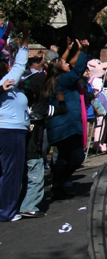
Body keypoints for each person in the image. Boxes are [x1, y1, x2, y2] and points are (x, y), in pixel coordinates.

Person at [20, 56, 67, 218]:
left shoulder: (23, 108)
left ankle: (22, 202)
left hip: (25, 144)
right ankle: (28, 206)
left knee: (27, 174)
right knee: (36, 176)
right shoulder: (37, 109)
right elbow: (53, 111)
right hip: (33, 144)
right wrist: (61, 103)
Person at [45, 38, 90, 201]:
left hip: (61, 126)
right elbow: (78, 70)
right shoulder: (63, 80)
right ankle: (59, 183)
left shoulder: (54, 81)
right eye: (63, 64)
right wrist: (84, 52)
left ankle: (59, 186)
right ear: (59, 68)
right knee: (76, 157)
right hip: (66, 127)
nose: (67, 64)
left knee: (63, 158)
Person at [0, 24, 30, 222]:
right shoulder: (6, 81)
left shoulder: (10, 85)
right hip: (9, 132)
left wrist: (25, 38)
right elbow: (20, 64)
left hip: (12, 130)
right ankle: (7, 211)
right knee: (11, 172)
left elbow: (19, 64)